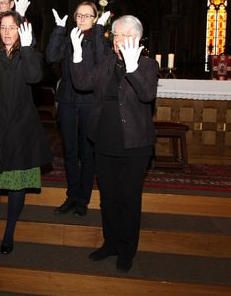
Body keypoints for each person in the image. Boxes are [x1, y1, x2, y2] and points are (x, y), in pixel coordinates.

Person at [70, 15, 158, 273]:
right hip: (105, 141)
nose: (117, 40)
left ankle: (127, 249)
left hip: (134, 145)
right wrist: (77, 55)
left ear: (137, 38)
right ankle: (110, 243)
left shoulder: (148, 65)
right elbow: (82, 82)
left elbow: (146, 94)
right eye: (115, 35)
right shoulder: (107, 63)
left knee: (128, 198)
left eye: (123, 35)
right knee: (108, 198)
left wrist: (132, 68)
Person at [0, 11, 52, 255]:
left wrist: (26, 49)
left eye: (12, 27)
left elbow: (34, 76)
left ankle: (9, 233)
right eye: (3, 27)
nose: (6, 31)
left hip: (20, 127)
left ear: (21, 30)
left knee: (16, 185)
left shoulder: (30, 55)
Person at [46, 2, 110, 217]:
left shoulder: (99, 40)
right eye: (79, 15)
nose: (82, 19)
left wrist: (99, 31)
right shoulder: (67, 39)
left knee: (87, 152)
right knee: (70, 151)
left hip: (90, 101)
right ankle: (72, 195)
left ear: (94, 18)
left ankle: (83, 198)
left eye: (87, 16)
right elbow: (51, 57)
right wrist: (57, 30)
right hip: (67, 100)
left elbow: (102, 61)